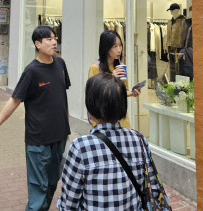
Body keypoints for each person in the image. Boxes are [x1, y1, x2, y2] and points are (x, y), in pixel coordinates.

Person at [0, 26, 70, 211]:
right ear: (37, 44)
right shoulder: (31, 71)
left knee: (52, 182)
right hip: (38, 140)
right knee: (38, 189)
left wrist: (66, 125)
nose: (54, 42)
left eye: (55, 38)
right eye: (49, 39)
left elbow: (62, 96)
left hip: (60, 137)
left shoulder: (60, 64)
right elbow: (14, 100)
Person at [58, 73, 161, 210]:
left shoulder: (80, 148)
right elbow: (152, 188)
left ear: (90, 107)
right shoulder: (139, 140)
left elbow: (68, 204)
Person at [88, 30, 141, 128]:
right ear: (106, 48)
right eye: (115, 46)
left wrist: (132, 92)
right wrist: (111, 78)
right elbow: (93, 96)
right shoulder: (95, 68)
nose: (119, 50)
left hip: (121, 118)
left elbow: (123, 91)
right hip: (103, 120)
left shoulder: (120, 66)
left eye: (120, 45)